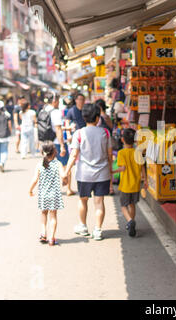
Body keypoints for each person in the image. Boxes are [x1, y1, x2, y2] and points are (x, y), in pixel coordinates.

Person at [62, 103, 113, 241]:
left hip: (84, 174)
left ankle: (83, 226)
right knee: (99, 201)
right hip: (102, 173)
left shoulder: (78, 133)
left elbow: (73, 155)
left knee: (83, 200)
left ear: (84, 118)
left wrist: (66, 172)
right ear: (98, 118)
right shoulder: (105, 133)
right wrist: (111, 171)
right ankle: (97, 230)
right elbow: (109, 155)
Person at [29, 141, 64, 246]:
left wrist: (30, 190)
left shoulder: (39, 165)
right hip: (54, 195)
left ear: (42, 152)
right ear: (54, 152)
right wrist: (66, 177)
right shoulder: (58, 163)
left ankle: (43, 234)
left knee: (44, 213)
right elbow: (63, 175)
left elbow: (35, 180)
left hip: (43, 195)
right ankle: (52, 238)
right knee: (53, 216)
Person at [113, 128, 148, 237]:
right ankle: (131, 223)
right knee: (132, 204)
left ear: (123, 140)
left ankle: (129, 221)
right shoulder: (138, 152)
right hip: (136, 184)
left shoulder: (121, 153)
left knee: (123, 205)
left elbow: (122, 168)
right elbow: (142, 167)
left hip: (125, 185)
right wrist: (145, 179)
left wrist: (112, 171)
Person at [41, 92, 75, 196]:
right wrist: (62, 146)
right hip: (56, 142)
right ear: (55, 101)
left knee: (49, 166)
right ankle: (68, 188)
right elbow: (58, 129)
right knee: (65, 165)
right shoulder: (55, 112)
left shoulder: (43, 110)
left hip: (46, 142)